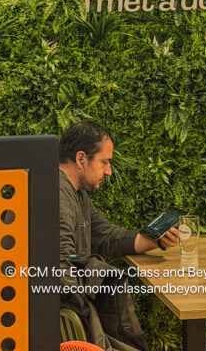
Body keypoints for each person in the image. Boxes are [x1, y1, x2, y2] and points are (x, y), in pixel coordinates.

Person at [59, 120, 179, 351]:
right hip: (69, 327)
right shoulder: (58, 195)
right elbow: (60, 269)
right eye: (104, 162)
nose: (109, 171)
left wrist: (156, 239)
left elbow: (109, 237)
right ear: (81, 158)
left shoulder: (78, 195)